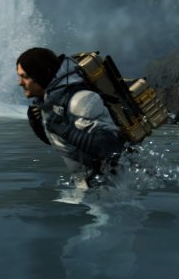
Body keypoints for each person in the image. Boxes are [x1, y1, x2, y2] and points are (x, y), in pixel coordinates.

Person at [16, 47, 125, 187]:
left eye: (24, 76)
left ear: (42, 74)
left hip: (111, 189)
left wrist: (66, 130)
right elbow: (65, 144)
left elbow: (112, 148)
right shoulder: (50, 104)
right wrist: (39, 126)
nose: (20, 82)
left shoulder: (80, 100)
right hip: (85, 186)